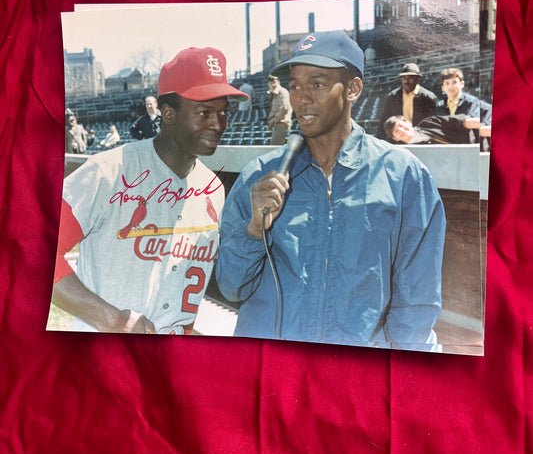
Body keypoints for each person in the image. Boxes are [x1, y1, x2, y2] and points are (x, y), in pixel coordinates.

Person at [216, 31, 446, 350]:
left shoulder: (405, 176)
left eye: (317, 83)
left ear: (353, 89)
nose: (301, 98)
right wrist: (254, 230)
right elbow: (231, 288)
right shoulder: (258, 176)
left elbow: (417, 303)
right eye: (294, 84)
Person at [51, 47, 249, 335]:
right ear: (168, 114)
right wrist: (110, 319)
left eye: (222, 112)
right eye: (204, 112)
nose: (219, 124)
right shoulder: (109, 169)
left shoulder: (213, 189)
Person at [376, 63, 438, 140]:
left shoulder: (428, 98)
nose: (406, 81)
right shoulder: (393, 96)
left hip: (419, 140)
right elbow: (384, 120)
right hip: (398, 140)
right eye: (404, 78)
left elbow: (434, 123)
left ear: (417, 79)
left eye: (410, 78)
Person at [383, 114, 483, 145]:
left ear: (409, 122)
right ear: (395, 138)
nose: (402, 130)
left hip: (478, 143)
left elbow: (462, 122)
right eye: (396, 131)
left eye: (401, 125)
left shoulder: (430, 122)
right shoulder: (410, 153)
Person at [265, 74, 292, 144]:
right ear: (268, 84)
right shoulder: (272, 94)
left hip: (282, 124)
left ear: (278, 82)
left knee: (274, 147)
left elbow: (284, 108)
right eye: (270, 83)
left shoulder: (282, 92)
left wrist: (274, 120)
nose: (272, 85)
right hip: (276, 124)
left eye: (274, 82)